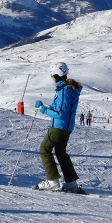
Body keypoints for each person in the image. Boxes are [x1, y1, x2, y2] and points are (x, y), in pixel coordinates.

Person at [33, 62, 83, 192]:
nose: (51, 78)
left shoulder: (64, 91)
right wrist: (45, 107)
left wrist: (43, 110)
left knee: (44, 149)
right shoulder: (68, 89)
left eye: (51, 75)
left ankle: (52, 181)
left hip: (59, 126)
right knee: (60, 152)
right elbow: (59, 109)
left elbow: (60, 113)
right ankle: (71, 183)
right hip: (66, 127)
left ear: (55, 76)